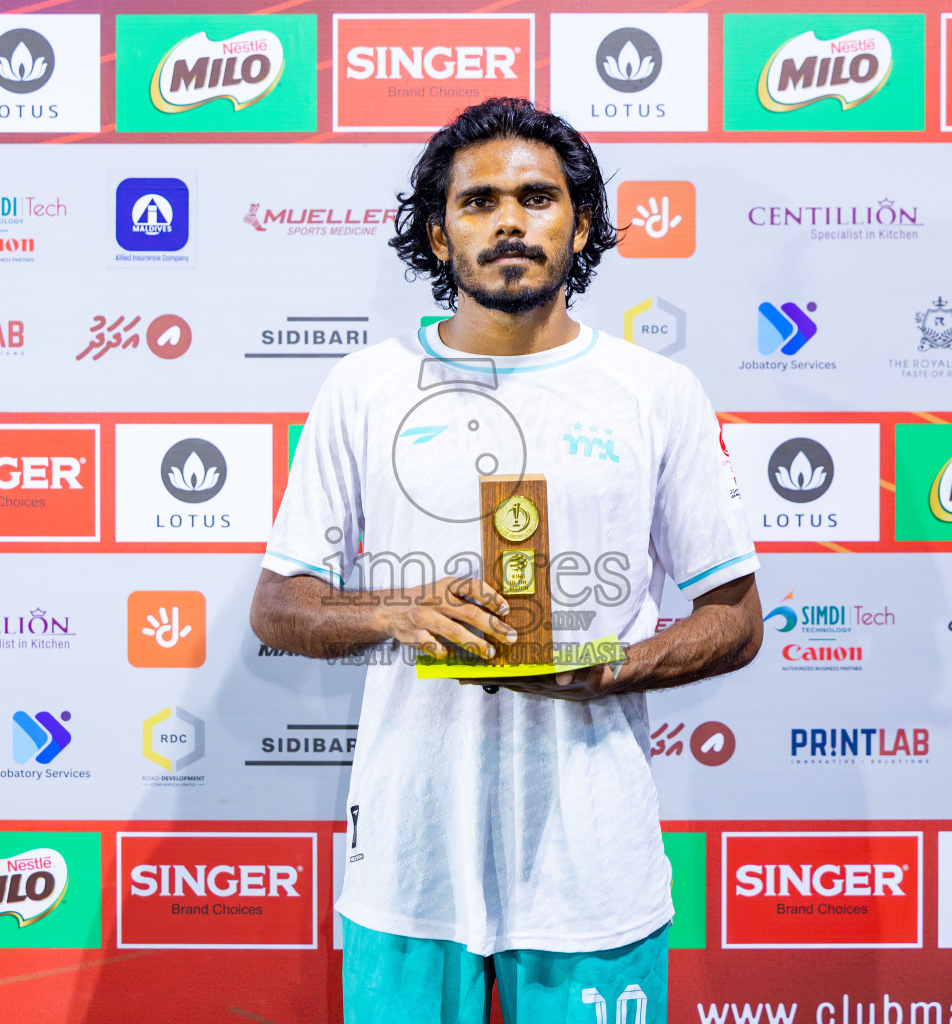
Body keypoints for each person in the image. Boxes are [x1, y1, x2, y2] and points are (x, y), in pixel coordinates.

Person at [249, 97, 764, 1024]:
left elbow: (735, 617)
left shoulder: (655, 393)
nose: (510, 223)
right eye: (478, 203)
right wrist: (395, 614)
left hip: (593, 871)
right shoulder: (365, 387)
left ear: (584, 224)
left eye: (538, 198)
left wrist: (615, 666)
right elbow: (279, 605)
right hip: (408, 869)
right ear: (440, 238)